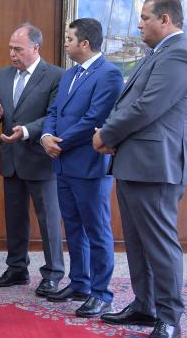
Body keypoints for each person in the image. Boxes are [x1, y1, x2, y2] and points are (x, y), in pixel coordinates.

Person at [93, 0, 187, 338]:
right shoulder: (158, 54)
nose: (138, 24)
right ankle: (145, 305)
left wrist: (106, 135)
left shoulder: (180, 54)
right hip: (136, 162)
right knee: (138, 243)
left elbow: (146, 107)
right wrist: (109, 135)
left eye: (144, 17)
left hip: (158, 166)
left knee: (160, 245)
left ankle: (169, 319)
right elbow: (129, 102)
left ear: (166, 20)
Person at [40, 18, 124, 317]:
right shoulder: (69, 74)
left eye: (69, 38)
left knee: (97, 231)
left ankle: (101, 294)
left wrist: (59, 142)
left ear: (84, 43)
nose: (65, 43)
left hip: (89, 165)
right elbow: (53, 111)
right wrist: (46, 136)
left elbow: (94, 119)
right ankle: (79, 283)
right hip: (63, 164)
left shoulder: (110, 75)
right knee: (73, 228)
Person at [0, 23, 65, 295]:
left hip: (40, 158)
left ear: (35, 48)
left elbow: (55, 115)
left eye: (18, 49)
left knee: (48, 219)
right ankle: (17, 268)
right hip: (11, 157)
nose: (12, 54)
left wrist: (28, 131)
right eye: (10, 48)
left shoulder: (55, 75)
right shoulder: (4, 74)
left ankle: (53, 273)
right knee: (15, 217)